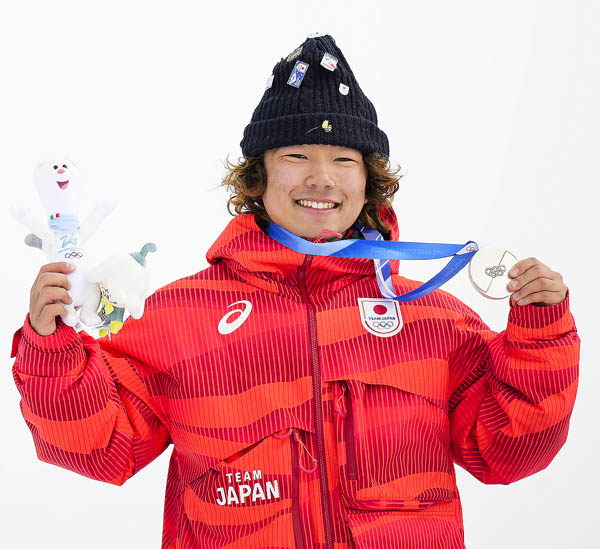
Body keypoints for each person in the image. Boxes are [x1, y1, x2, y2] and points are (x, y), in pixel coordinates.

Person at [11, 33, 580, 549]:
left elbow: (507, 451)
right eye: (296, 156)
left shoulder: (433, 320)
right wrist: (51, 351)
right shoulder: (177, 318)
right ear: (258, 177)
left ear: (369, 180)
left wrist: (540, 338)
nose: (321, 177)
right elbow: (102, 446)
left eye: (343, 159)